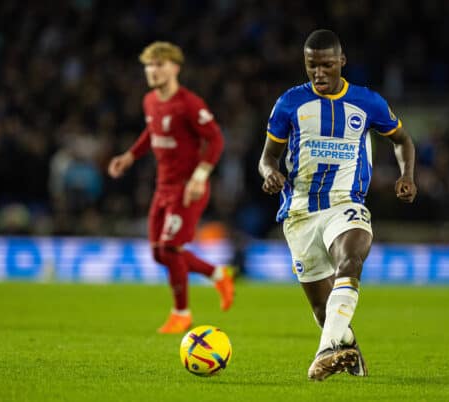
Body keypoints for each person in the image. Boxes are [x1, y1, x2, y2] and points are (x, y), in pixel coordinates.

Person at [258, 29, 417, 380]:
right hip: (300, 212)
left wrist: (407, 174)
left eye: (327, 65)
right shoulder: (290, 103)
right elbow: (267, 158)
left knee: (351, 258)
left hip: (345, 203)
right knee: (321, 309)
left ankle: (325, 353)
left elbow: (402, 140)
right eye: (312, 66)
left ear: (342, 62)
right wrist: (269, 174)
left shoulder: (367, 102)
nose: (319, 73)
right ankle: (349, 352)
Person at [108, 41, 234, 334]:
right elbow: (151, 132)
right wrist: (129, 156)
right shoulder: (150, 101)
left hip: (187, 188)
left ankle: (182, 313)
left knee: (170, 247)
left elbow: (215, 139)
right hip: (162, 187)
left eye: (159, 64)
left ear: (175, 67)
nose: (153, 71)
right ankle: (218, 274)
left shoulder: (189, 104)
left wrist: (200, 176)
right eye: (149, 65)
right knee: (158, 253)